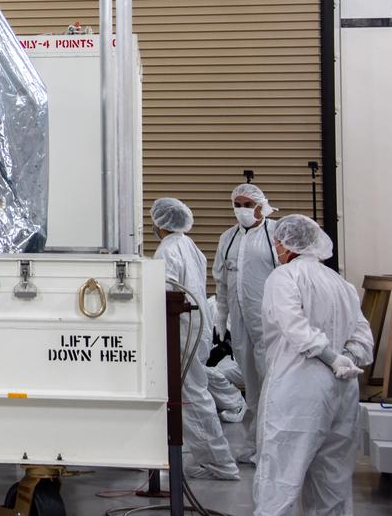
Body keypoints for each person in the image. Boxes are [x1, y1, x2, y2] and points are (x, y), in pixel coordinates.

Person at [253, 215, 373, 515]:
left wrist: (331, 358)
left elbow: (295, 328)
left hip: (299, 386)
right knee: (333, 479)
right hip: (344, 388)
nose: (276, 247)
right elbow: (363, 336)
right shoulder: (341, 284)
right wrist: (346, 360)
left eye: (278, 242)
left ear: (288, 244)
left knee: (281, 477)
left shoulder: (284, 277)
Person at [151, 197, 240, 480]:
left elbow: (167, 292)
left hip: (182, 330)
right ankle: (209, 456)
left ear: (160, 222)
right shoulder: (189, 245)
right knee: (193, 391)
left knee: (192, 396)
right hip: (197, 328)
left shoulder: (168, 250)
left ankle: (219, 462)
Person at [212, 182, 278, 462]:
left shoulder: (276, 234)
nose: (242, 210)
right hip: (240, 325)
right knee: (252, 386)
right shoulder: (228, 238)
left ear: (261, 205)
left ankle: (273, 448)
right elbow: (222, 283)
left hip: (270, 322)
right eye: (237, 205)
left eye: (247, 205)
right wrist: (221, 320)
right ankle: (253, 445)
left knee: (272, 383)